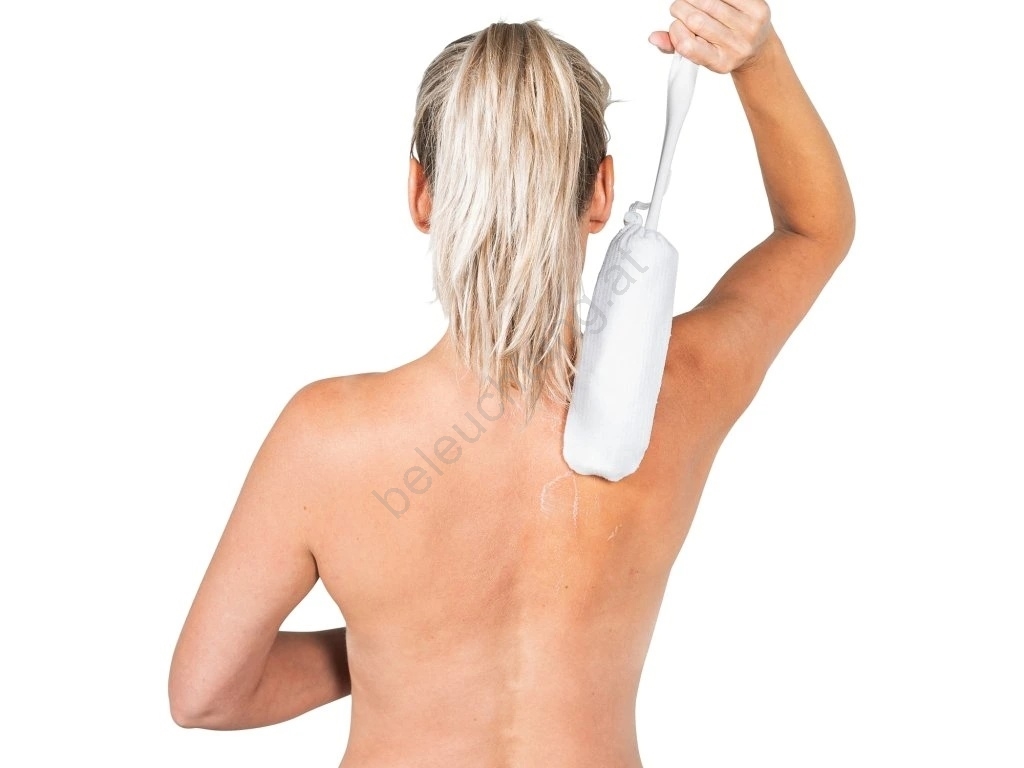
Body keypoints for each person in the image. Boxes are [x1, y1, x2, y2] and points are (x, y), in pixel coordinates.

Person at [168, 3, 854, 766]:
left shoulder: (327, 438)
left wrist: (386, 643)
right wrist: (757, 57)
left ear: (421, 194)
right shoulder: (679, 391)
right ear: (600, 191)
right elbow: (814, 229)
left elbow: (207, 694)